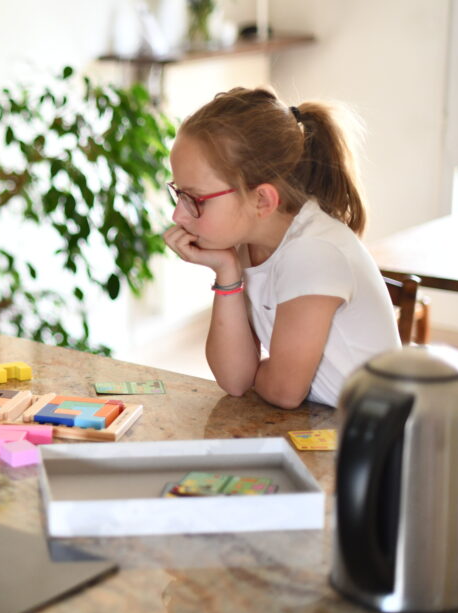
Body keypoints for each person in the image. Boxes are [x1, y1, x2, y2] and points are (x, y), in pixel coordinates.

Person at [162, 87, 400, 409]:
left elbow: (284, 391)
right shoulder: (249, 244)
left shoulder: (312, 252)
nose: (178, 215)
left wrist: (258, 374)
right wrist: (227, 273)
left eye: (195, 198)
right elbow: (235, 381)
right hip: (327, 427)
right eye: (178, 193)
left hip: (377, 442)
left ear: (262, 200)